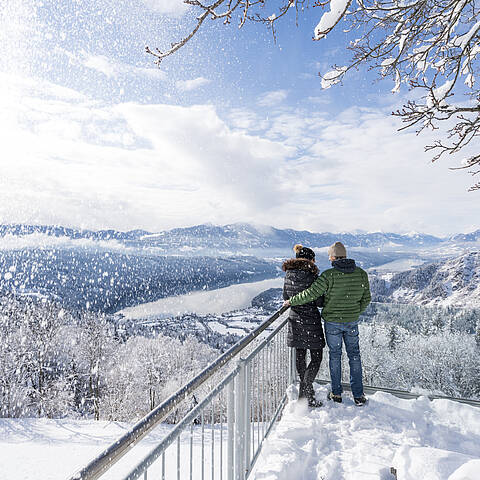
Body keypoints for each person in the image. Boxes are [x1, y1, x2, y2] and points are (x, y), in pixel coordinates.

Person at [284, 241, 371, 406]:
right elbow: (366, 298)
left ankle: (336, 393)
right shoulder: (361, 274)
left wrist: (292, 300)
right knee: (354, 356)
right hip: (351, 321)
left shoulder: (328, 275)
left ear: (332, 257)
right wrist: (355, 311)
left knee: (335, 356)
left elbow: (311, 294)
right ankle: (358, 395)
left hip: (332, 322)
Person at [282, 244, 325, 408]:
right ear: (311, 260)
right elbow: (320, 301)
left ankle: (307, 394)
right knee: (316, 357)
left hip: (295, 320)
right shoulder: (313, 276)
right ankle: (305, 393)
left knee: (300, 357)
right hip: (311, 321)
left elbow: (286, 296)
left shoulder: (288, 275)